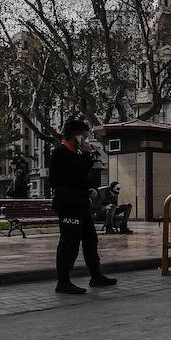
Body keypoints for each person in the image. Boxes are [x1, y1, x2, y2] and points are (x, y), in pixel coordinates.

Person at [50, 119, 116, 294]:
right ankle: (63, 282)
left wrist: (89, 189)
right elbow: (70, 175)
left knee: (90, 240)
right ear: (76, 135)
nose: (86, 140)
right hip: (68, 205)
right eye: (84, 136)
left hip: (80, 204)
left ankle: (96, 275)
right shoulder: (60, 152)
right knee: (69, 242)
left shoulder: (75, 153)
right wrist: (86, 155)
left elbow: (80, 176)